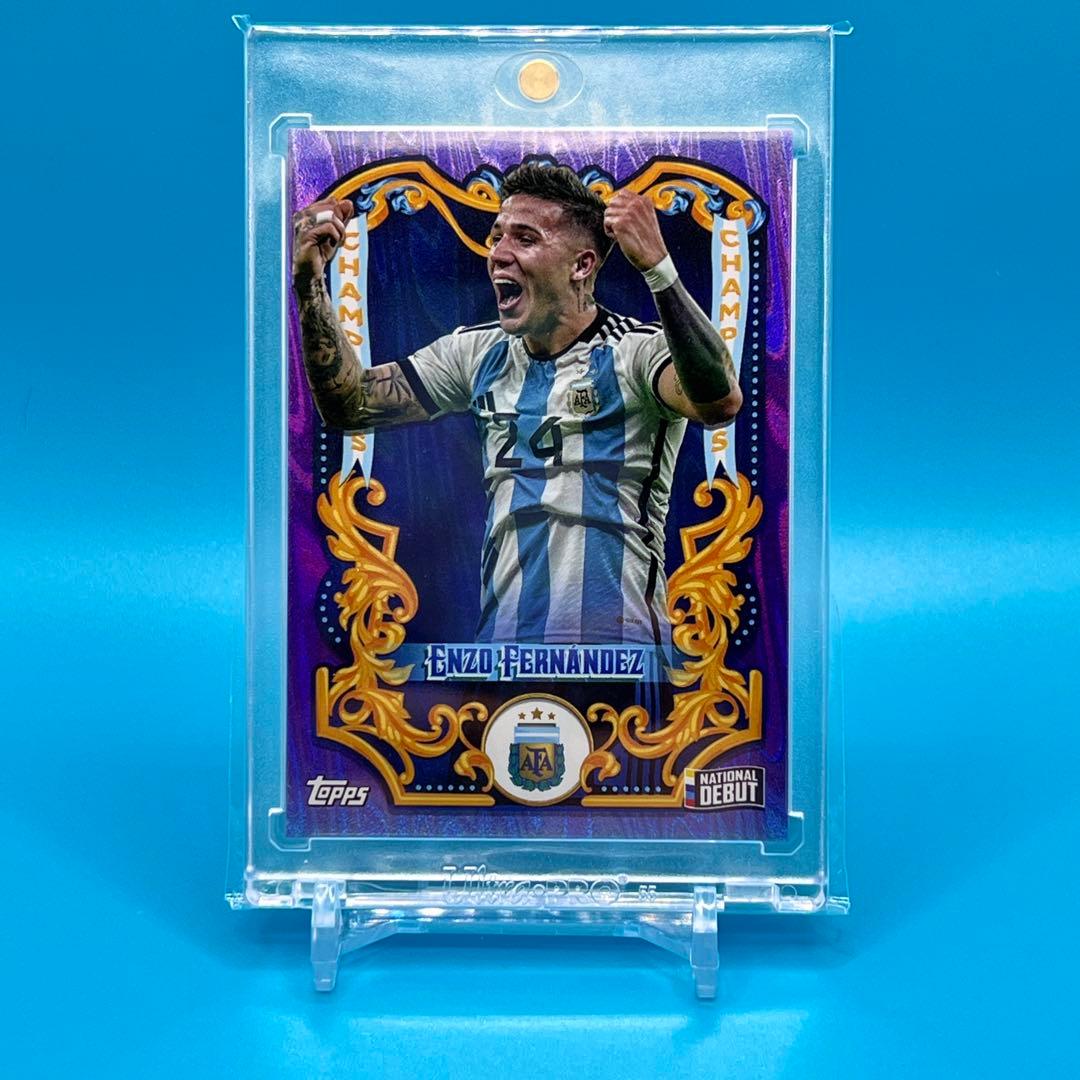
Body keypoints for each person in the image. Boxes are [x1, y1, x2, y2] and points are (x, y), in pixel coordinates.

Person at [292, 163, 741, 646]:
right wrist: (309, 281)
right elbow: (352, 404)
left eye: (525, 239)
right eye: (497, 237)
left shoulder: (636, 353)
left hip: (622, 657)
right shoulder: (476, 353)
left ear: (582, 265)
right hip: (504, 655)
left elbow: (719, 401)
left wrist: (659, 268)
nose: (499, 254)